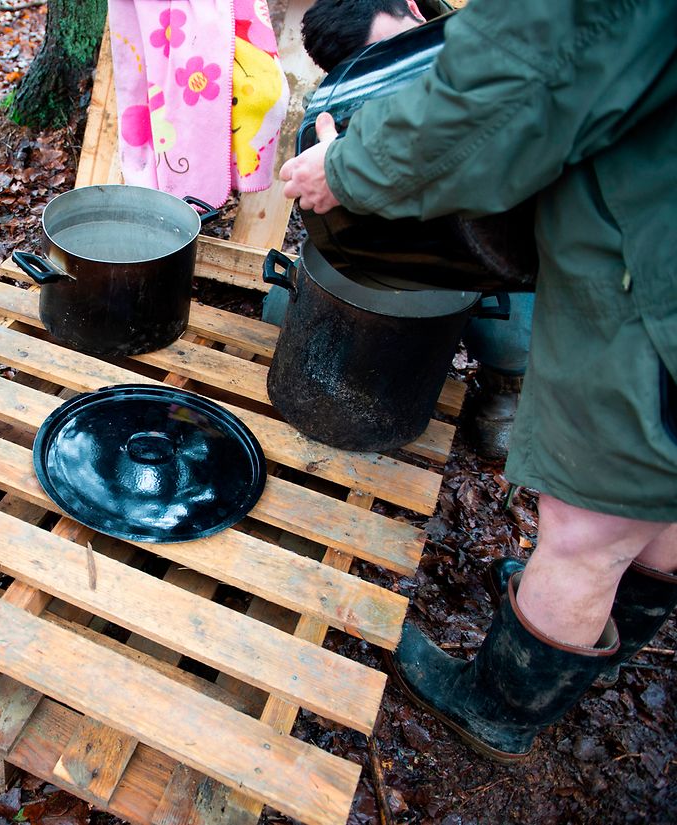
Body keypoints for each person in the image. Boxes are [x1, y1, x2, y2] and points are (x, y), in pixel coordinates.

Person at [279, 0, 676, 762]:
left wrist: (351, 168)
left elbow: (516, 80)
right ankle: (590, 642)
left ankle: (496, 708)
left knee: (589, 525)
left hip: (653, 255)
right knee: (659, 481)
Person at [293, 0, 534, 459]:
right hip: (429, 233)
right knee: (292, 304)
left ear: (412, 9)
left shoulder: (491, 33)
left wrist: (351, 167)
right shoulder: (352, 94)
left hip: (521, 225)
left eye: (392, 54)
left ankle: (507, 379)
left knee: (512, 304)